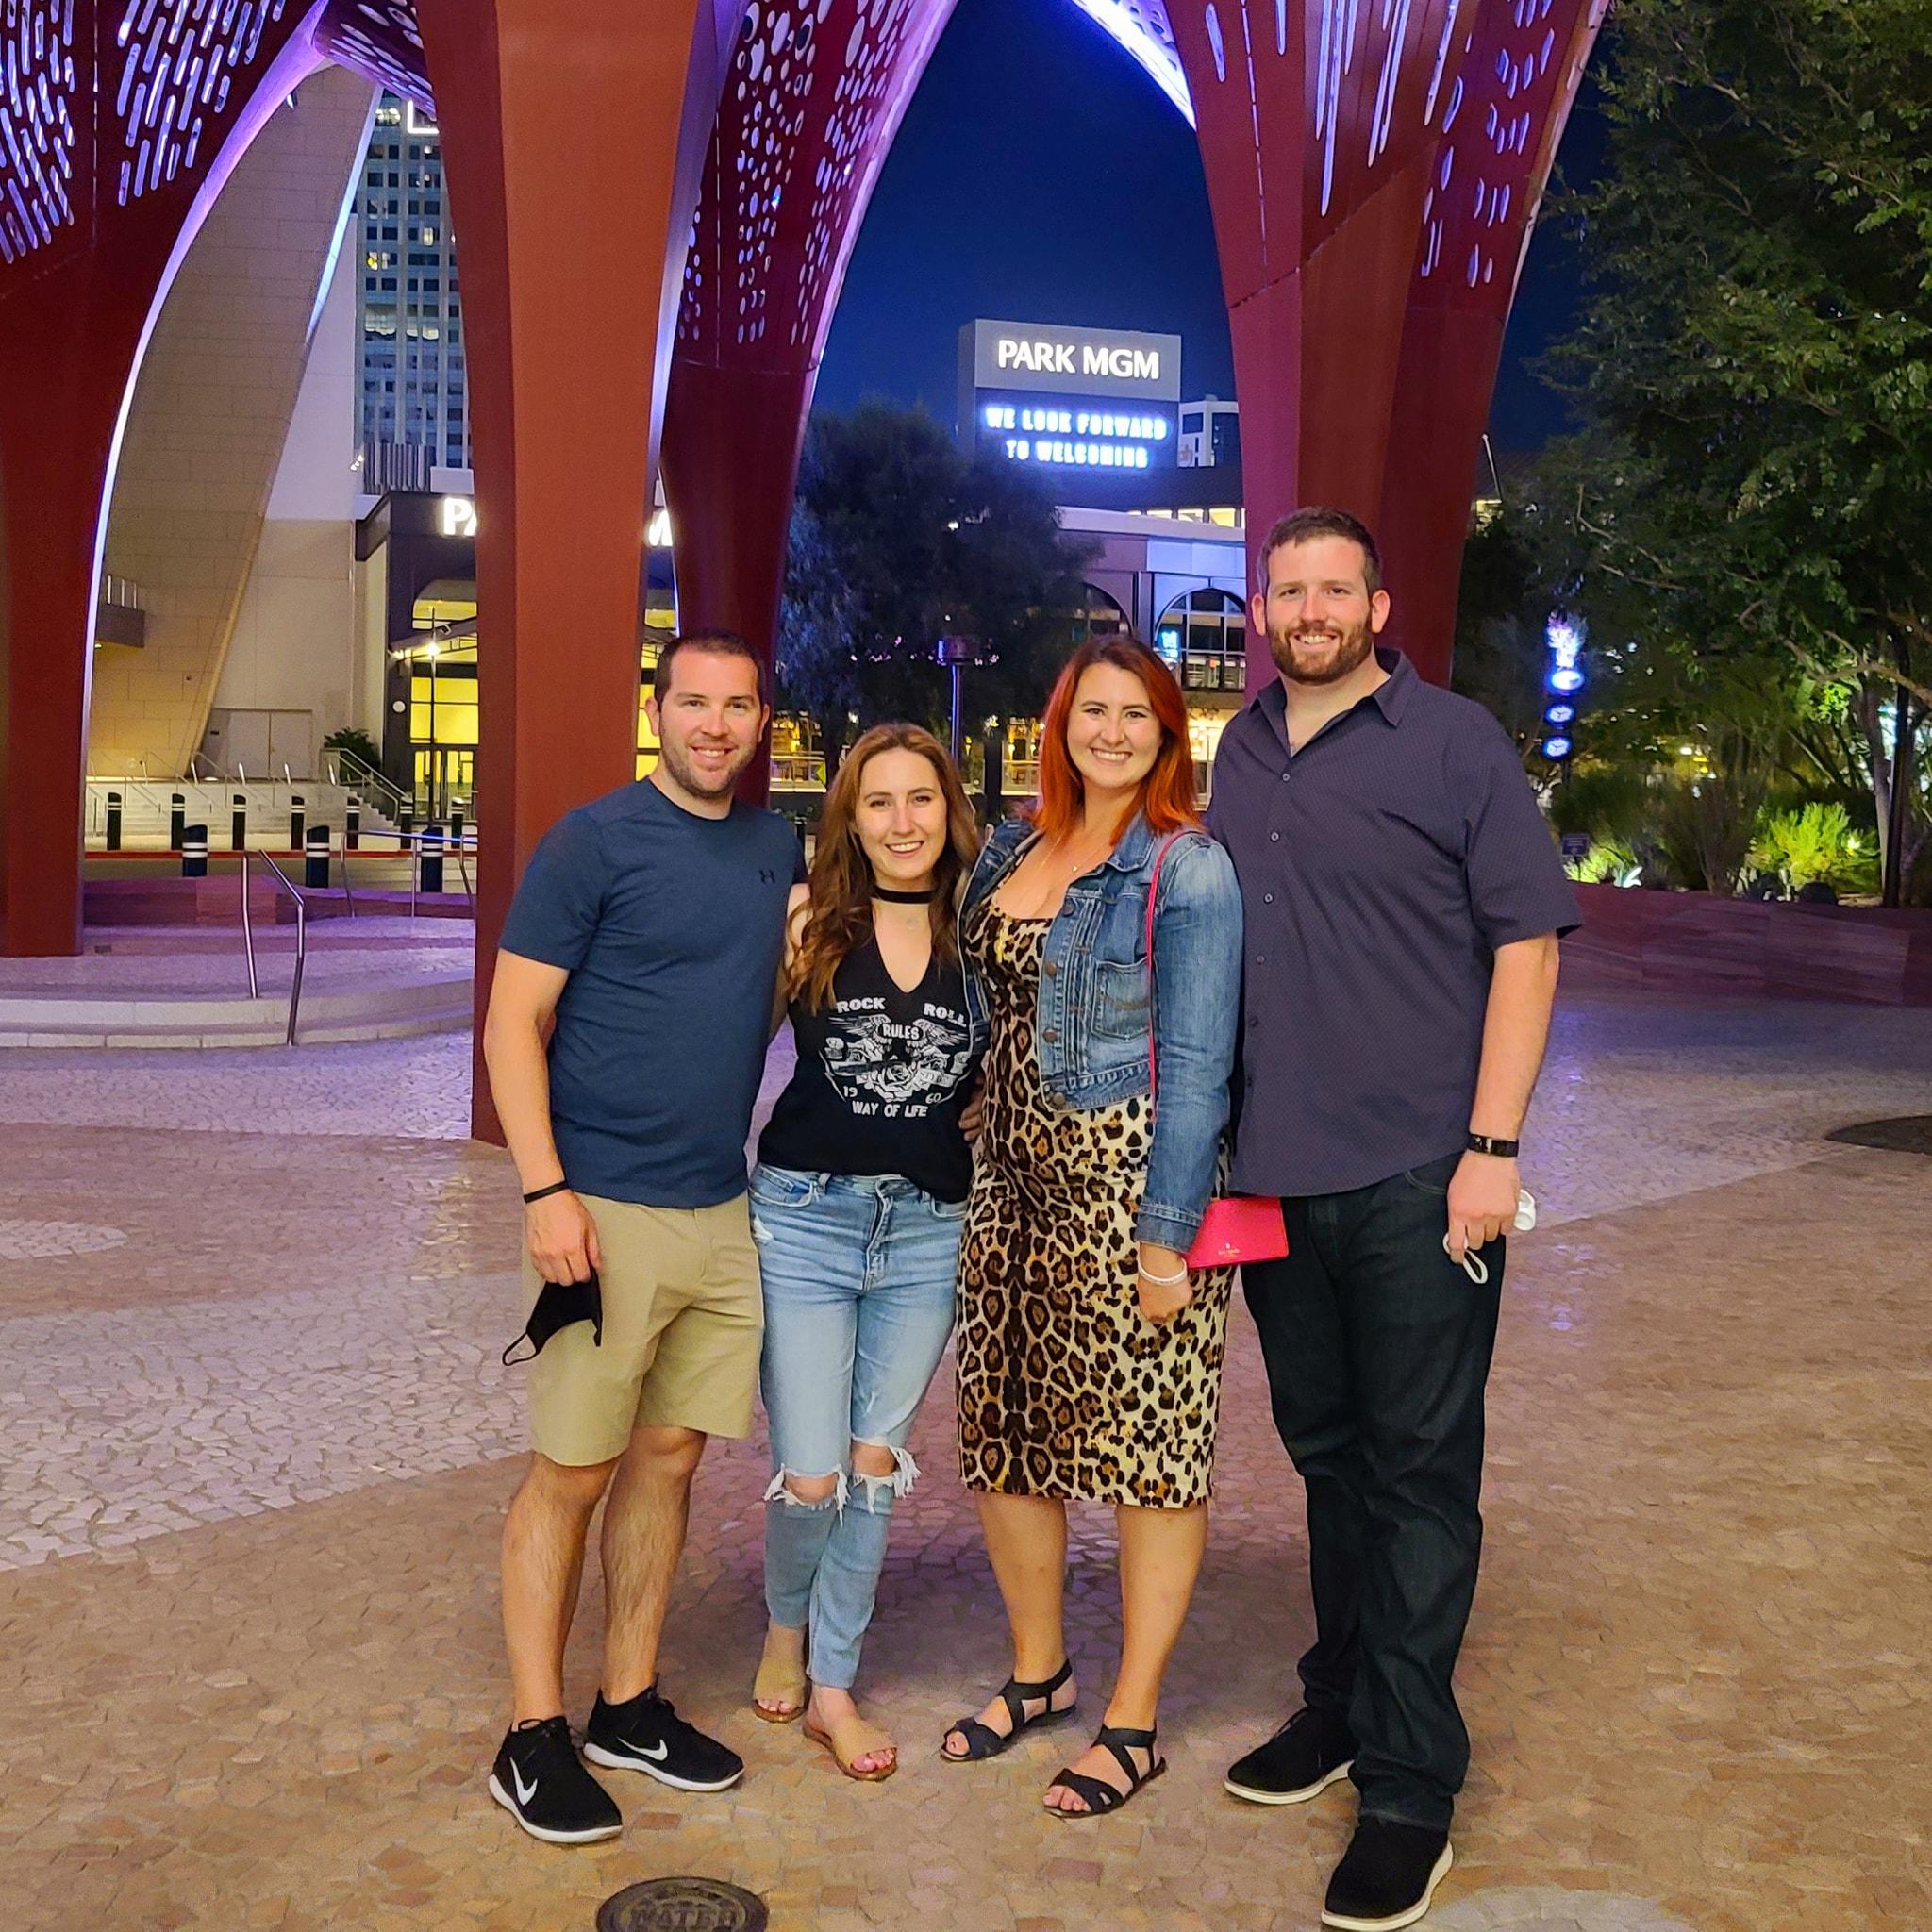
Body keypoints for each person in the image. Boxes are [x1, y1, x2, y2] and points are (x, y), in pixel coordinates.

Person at [1212, 508, 1580, 1931]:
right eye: (1287, 588)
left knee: (1421, 1472)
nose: (1310, 608)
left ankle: (1414, 1783)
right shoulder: (1239, 751)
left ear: (1378, 603)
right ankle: (1345, 1708)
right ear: (1265, 609)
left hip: (1427, 1177)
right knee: (1330, 1461)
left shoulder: (1455, 746)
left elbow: (1528, 948)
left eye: (1334, 588)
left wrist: (1492, 1149)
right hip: (1277, 1180)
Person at [480, 629, 803, 1844]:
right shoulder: (592, 841)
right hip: (597, 1207)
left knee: (668, 1458)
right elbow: (513, 1026)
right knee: (571, 1468)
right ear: (656, 710)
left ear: (762, 721)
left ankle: (626, 1702)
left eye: (736, 706)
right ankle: (530, 1733)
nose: (714, 724)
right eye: (693, 703)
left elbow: (768, 992)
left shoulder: (777, 845)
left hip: (719, 1207)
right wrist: (542, 1190)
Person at [941, 635, 1242, 1820]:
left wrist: (1166, 1237)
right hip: (1004, 1179)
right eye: (1092, 710)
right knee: (1007, 1431)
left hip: (1127, 1190)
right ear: (1057, 720)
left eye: (1137, 716)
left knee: (1147, 1451)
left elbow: (1202, 1062)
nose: (1111, 731)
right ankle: (1038, 1671)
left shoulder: (1186, 865)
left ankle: (1132, 1720)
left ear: (1168, 736)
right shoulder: (1012, 846)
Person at [746, 723, 983, 1781]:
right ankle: (782, 1625)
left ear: (949, 809)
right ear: (849, 815)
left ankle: (831, 1682)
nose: (901, 821)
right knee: (810, 1476)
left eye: (920, 798)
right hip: (803, 1214)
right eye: (877, 800)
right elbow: (720, 1041)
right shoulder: (807, 918)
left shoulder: (979, 924)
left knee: (874, 1465)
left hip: (928, 1226)